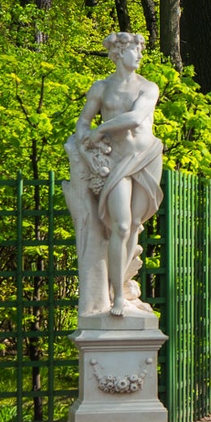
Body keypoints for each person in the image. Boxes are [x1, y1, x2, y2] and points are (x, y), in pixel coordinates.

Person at [66, 32, 163, 318]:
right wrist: (86, 146)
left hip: (146, 157)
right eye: (135, 50)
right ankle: (117, 296)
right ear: (119, 53)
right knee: (119, 226)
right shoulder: (101, 88)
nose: (141, 55)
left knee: (133, 224)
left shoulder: (149, 87)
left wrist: (101, 129)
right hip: (116, 161)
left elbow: (135, 118)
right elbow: (82, 123)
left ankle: (120, 284)